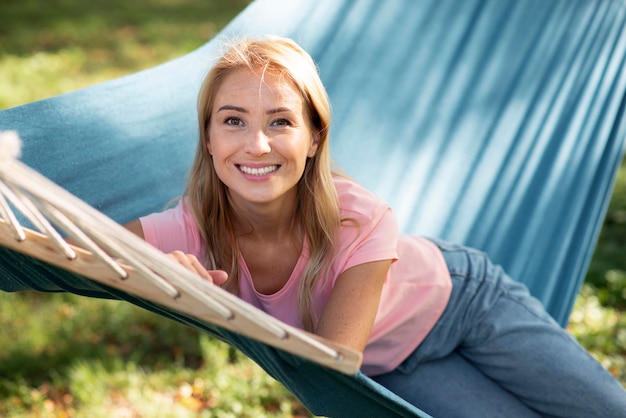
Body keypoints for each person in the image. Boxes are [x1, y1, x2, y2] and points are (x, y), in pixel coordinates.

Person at [124, 36, 626, 417]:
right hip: (385, 370)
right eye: (233, 121)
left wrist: (210, 301)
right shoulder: (194, 227)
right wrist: (161, 272)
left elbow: (335, 358)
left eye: (281, 122)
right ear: (208, 139)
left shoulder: (357, 217)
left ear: (315, 138)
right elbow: (83, 248)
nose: (256, 144)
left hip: (464, 306)